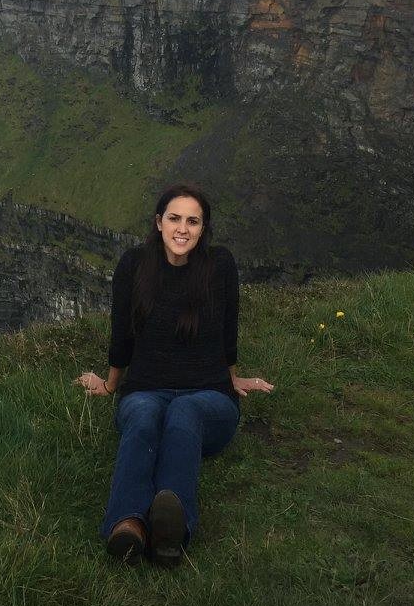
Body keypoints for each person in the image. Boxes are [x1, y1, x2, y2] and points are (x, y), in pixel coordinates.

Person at [75, 184, 275, 566]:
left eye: (192, 221)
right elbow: (121, 335)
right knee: (143, 416)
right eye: (174, 218)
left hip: (209, 397)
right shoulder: (134, 265)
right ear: (159, 222)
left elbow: (228, 331)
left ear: (203, 229)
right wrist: (110, 384)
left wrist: (231, 378)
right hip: (145, 390)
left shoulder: (219, 265)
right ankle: (128, 524)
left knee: (184, 412)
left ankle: (172, 527)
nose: (182, 229)